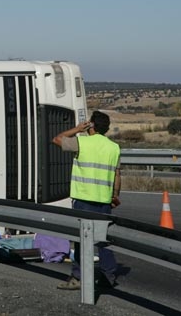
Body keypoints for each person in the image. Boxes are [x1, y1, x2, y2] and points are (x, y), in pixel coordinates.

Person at [52, 110, 121, 290]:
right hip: (104, 201)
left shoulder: (82, 142)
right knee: (104, 240)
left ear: (91, 125)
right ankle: (108, 276)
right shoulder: (114, 147)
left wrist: (77, 128)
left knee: (82, 240)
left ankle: (78, 277)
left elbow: (57, 139)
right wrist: (115, 196)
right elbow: (117, 174)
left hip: (83, 199)